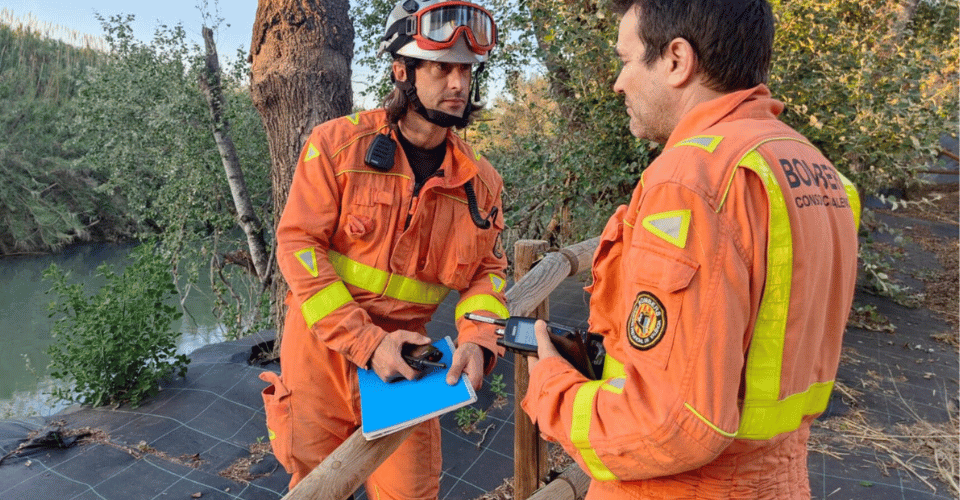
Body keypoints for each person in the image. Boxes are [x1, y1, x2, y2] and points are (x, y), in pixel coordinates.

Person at [521, 0, 861, 498]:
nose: (618, 82)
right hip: (781, 477)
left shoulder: (693, 179)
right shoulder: (811, 167)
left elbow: (671, 423)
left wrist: (551, 386)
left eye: (627, 59)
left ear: (677, 60)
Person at [258, 1, 508, 498]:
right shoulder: (336, 146)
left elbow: (488, 271)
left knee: (411, 493)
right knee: (316, 488)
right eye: (442, 68)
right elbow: (298, 247)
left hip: (409, 370)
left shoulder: (481, 184)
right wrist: (367, 343)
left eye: (466, 69)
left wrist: (480, 340)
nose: (459, 83)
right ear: (403, 71)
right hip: (320, 359)